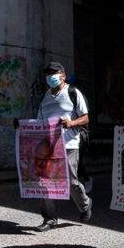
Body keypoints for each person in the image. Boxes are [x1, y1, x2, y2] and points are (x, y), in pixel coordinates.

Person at [16, 61, 92, 232]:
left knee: (71, 182)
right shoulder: (46, 97)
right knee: (44, 182)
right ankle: (49, 219)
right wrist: (23, 127)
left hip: (69, 144)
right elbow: (40, 122)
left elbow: (86, 118)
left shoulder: (73, 92)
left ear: (63, 75)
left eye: (54, 73)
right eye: (48, 74)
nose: (50, 77)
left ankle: (85, 204)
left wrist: (71, 123)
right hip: (48, 145)